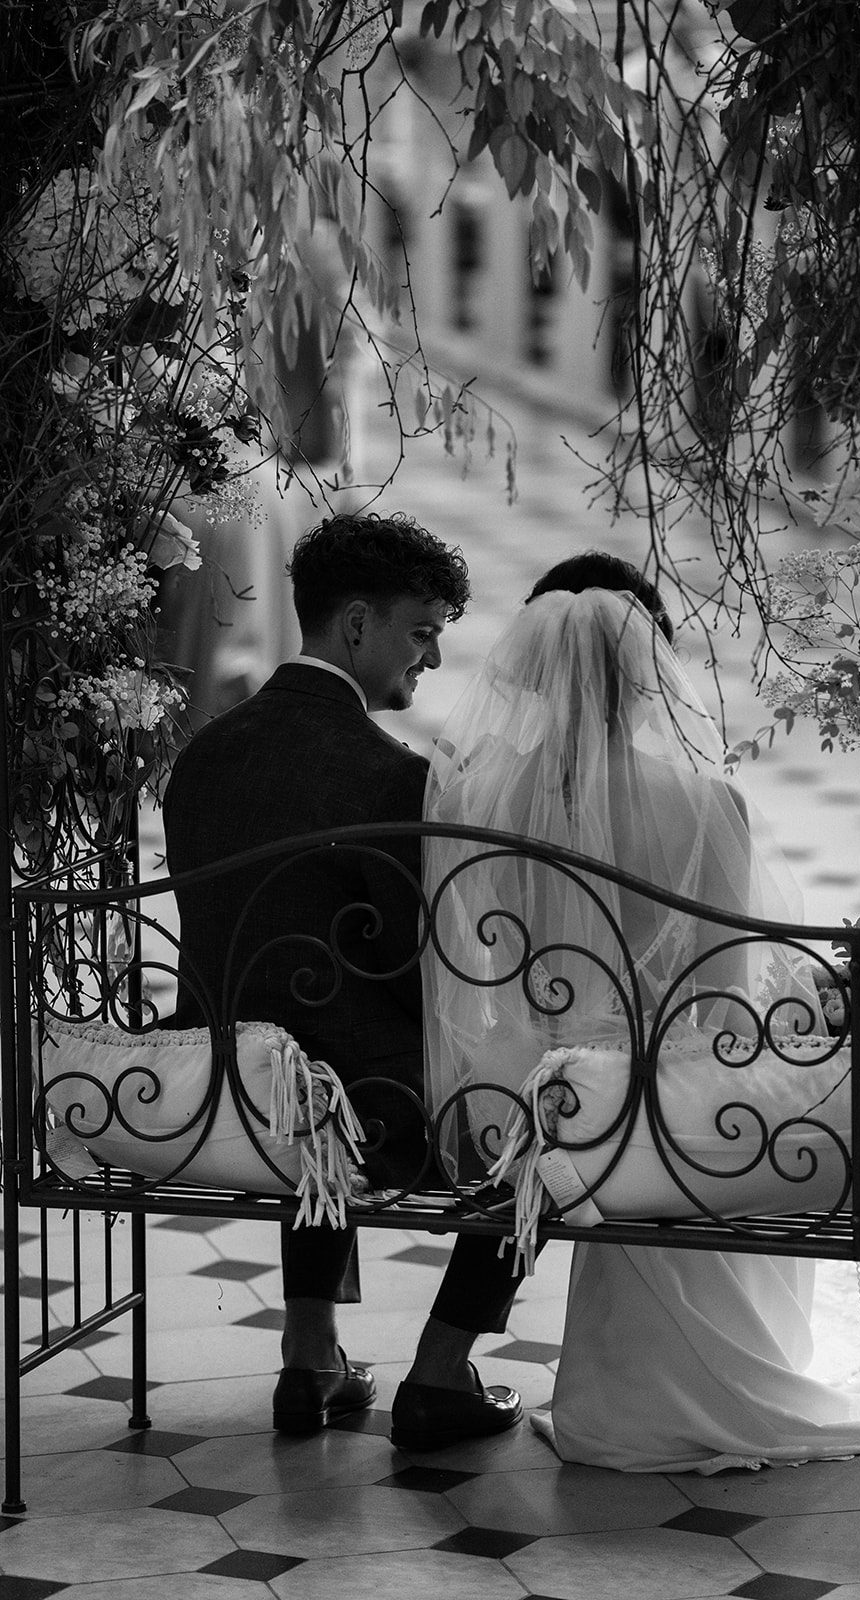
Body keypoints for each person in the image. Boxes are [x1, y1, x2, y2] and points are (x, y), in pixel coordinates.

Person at [422, 553, 860, 1474]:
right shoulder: (702, 801)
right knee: (757, 1095)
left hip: (526, 1097)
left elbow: (482, 964)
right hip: (662, 1106)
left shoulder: (483, 797)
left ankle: (622, 1388)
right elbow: (728, 984)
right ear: (650, 668)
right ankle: (724, 1371)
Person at [162, 511, 524, 1449]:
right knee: (538, 1126)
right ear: (356, 625)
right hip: (348, 1110)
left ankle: (310, 1355)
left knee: (312, 1067)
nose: (433, 660)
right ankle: (442, 1373)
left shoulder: (203, 753)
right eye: (422, 632)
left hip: (207, 1089)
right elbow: (417, 977)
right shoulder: (384, 775)